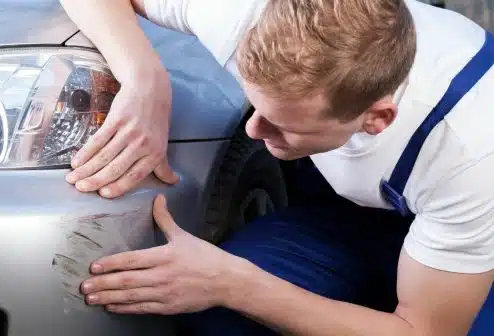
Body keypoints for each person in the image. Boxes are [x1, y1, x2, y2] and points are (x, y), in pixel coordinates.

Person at [58, 0, 494, 335]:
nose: (253, 130)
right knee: (216, 315)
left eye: (281, 123)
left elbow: (424, 331)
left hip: (469, 233)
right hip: (345, 214)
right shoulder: (250, 15)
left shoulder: (472, 151)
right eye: (257, 103)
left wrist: (232, 282)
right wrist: (143, 80)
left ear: (375, 120)